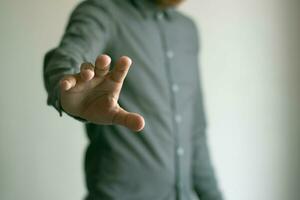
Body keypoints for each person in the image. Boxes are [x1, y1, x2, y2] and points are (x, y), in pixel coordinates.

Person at [43, 0, 223, 199]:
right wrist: (65, 87)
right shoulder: (103, 10)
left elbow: (195, 131)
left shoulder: (188, 30)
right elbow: (69, 55)